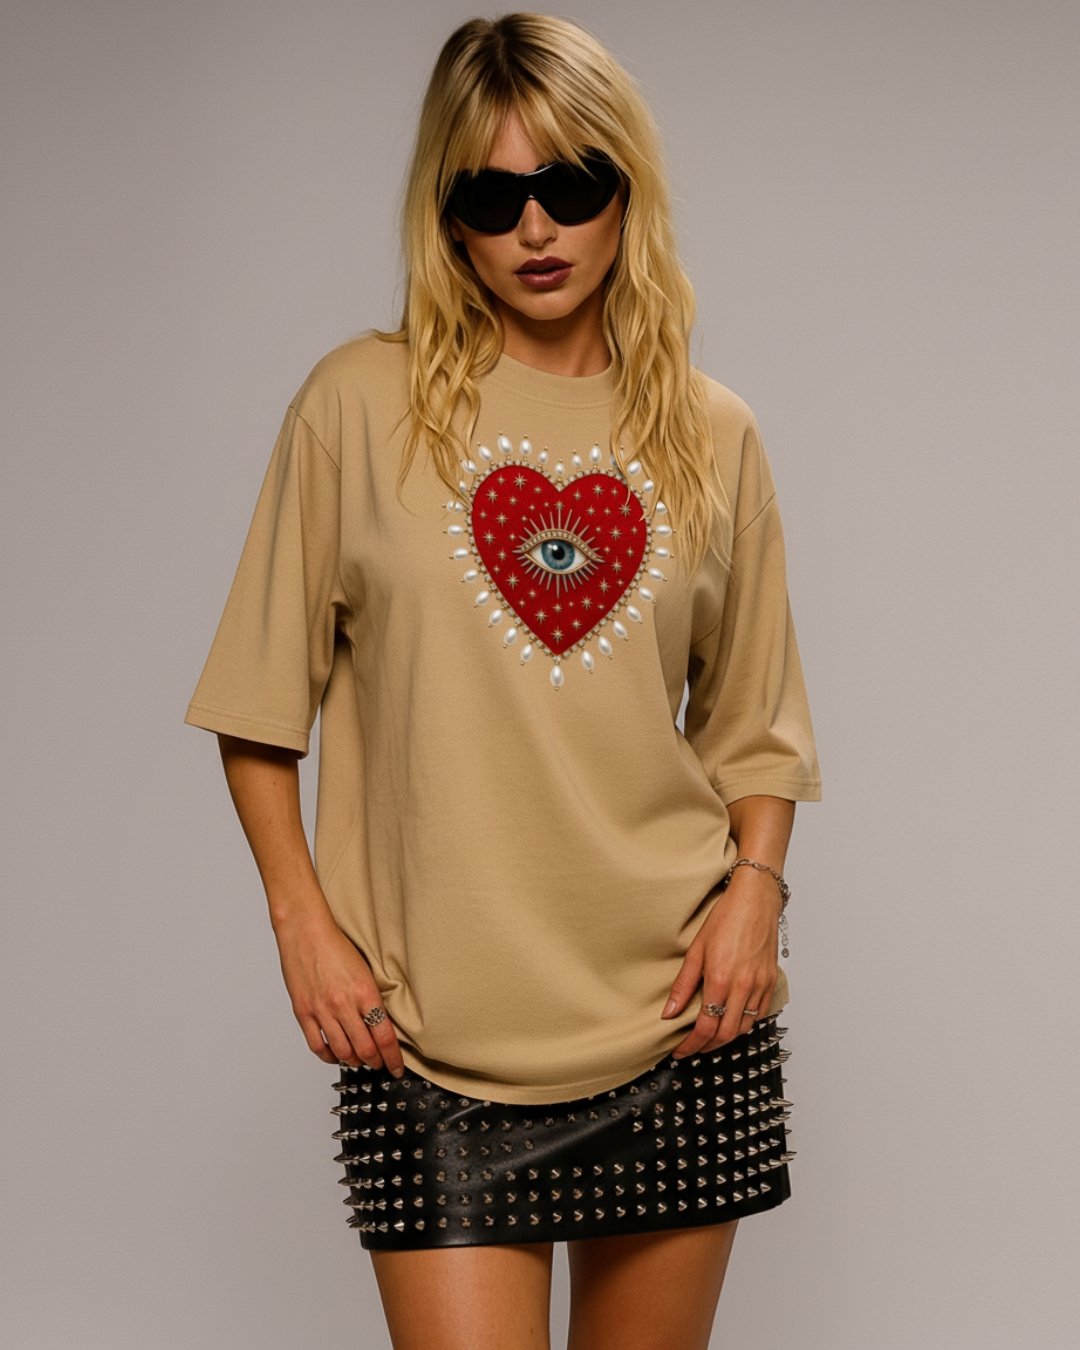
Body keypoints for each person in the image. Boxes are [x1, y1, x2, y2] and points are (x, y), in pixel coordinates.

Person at [184, 12, 821, 1349]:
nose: (536, 228)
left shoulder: (714, 435)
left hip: (677, 1020)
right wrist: (302, 922)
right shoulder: (356, 406)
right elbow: (255, 706)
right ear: (448, 219)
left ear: (627, 192)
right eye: (491, 195)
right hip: (427, 1038)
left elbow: (756, 729)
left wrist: (755, 900)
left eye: (571, 186)